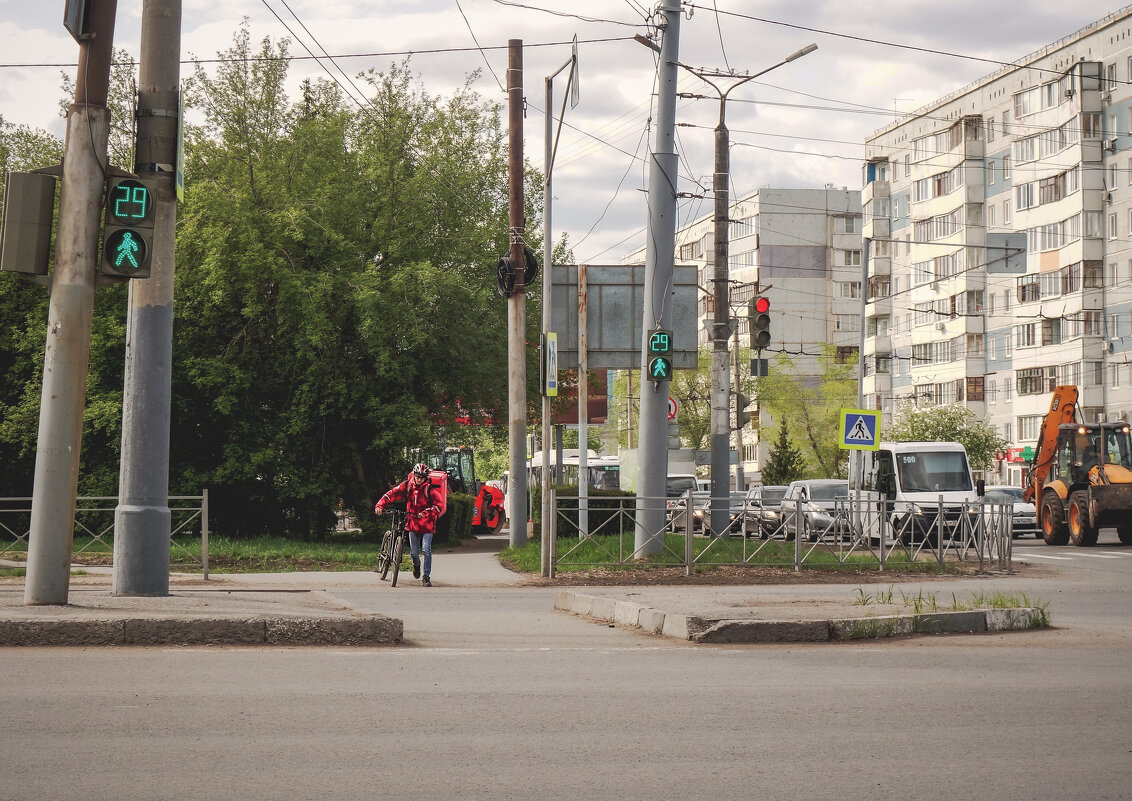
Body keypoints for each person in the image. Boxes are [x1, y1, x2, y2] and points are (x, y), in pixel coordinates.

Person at [374, 463, 443, 587]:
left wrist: (426, 512)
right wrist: (380, 505)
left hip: (427, 525)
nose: (419, 479)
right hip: (412, 523)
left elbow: (439, 506)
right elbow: (392, 494)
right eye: (417, 476)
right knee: (414, 553)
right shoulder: (408, 485)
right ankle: (416, 566)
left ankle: (426, 577)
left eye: (421, 477)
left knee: (426, 550)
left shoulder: (430, 490)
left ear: (426, 477)